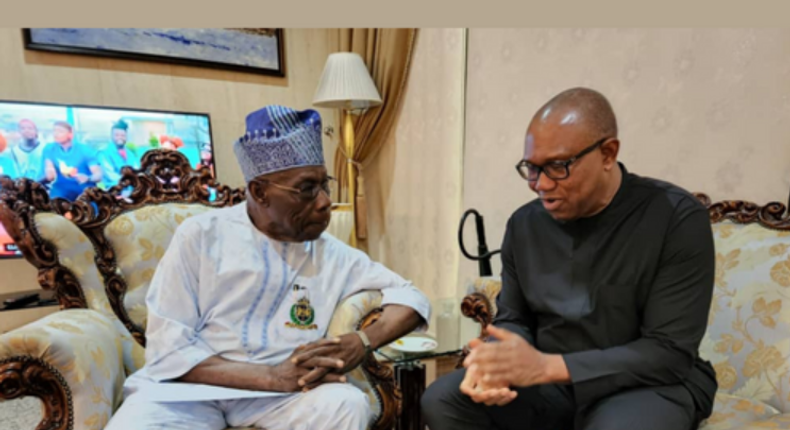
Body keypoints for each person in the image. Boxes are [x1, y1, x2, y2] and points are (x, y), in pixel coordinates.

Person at [104, 105, 431, 430]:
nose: (324, 202)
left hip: (283, 398)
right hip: (188, 393)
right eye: (306, 189)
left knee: (347, 405)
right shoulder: (202, 237)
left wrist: (362, 340)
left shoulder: (333, 255)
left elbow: (412, 297)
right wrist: (272, 377)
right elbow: (168, 349)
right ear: (260, 192)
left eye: (324, 185)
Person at [422, 88, 717, 430]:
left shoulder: (675, 218)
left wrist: (547, 367)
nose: (540, 185)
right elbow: (515, 319)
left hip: (648, 385)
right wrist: (495, 363)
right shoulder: (524, 224)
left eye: (557, 167)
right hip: (552, 385)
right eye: (531, 169)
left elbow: (668, 353)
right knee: (443, 400)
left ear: (608, 153)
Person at [42, 121, 103, 201]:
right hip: (61, 188)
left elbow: (99, 175)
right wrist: (49, 172)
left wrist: (88, 178)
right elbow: (49, 169)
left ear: (70, 134)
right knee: (54, 203)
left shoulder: (84, 150)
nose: (56, 134)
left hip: (84, 188)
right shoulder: (50, 149)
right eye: (54, 131)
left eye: (60, 131)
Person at [99, 120, 141, 189]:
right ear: (111, 136)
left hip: (132, 190)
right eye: (117, 135)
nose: (120, 137)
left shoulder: (130, 154)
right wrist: (131, 182)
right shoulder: (103, 153)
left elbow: (137, 171)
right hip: (114, 191)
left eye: (123, 135)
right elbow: (111, 176)